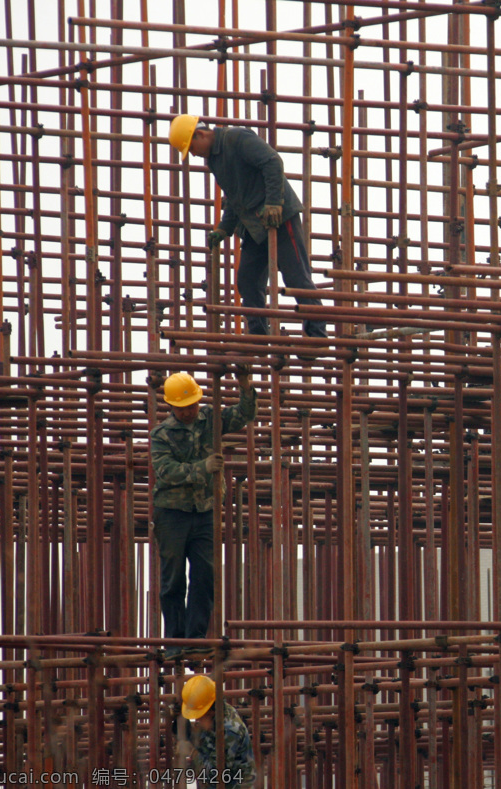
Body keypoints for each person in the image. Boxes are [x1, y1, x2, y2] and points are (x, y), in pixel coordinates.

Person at [168, 113, 327, 339]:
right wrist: (225, 227)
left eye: (190, 148)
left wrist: (274, 202)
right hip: (254, 226)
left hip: (280, 219)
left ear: (200, 135)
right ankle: (259, 336)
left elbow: (272, 162)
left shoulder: (238, 138)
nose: (192, 155)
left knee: (296, 278)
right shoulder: (213, 161)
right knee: (248, 281)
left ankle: (317, 336)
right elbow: (234, 194)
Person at [151, 369, 256, 658]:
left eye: (193, 405)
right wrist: (202, 468)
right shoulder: (161, 435)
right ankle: (175, 641)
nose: (190, 412)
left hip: (206, 511)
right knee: (173, 579)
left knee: (204, 576)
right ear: (171, 406)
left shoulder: (209, 418)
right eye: (183, 408)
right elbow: (166, 471)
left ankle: (195, 639)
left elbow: (244, 414)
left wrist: (245, 385)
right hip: (172, 513)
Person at [180, 675, 256, 789]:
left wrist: (192, 752)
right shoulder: (216, 718)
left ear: (210, 710)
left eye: (199, 715)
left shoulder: (229, 730)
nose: (197, 718)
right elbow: (209, 749)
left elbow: (216, 774)